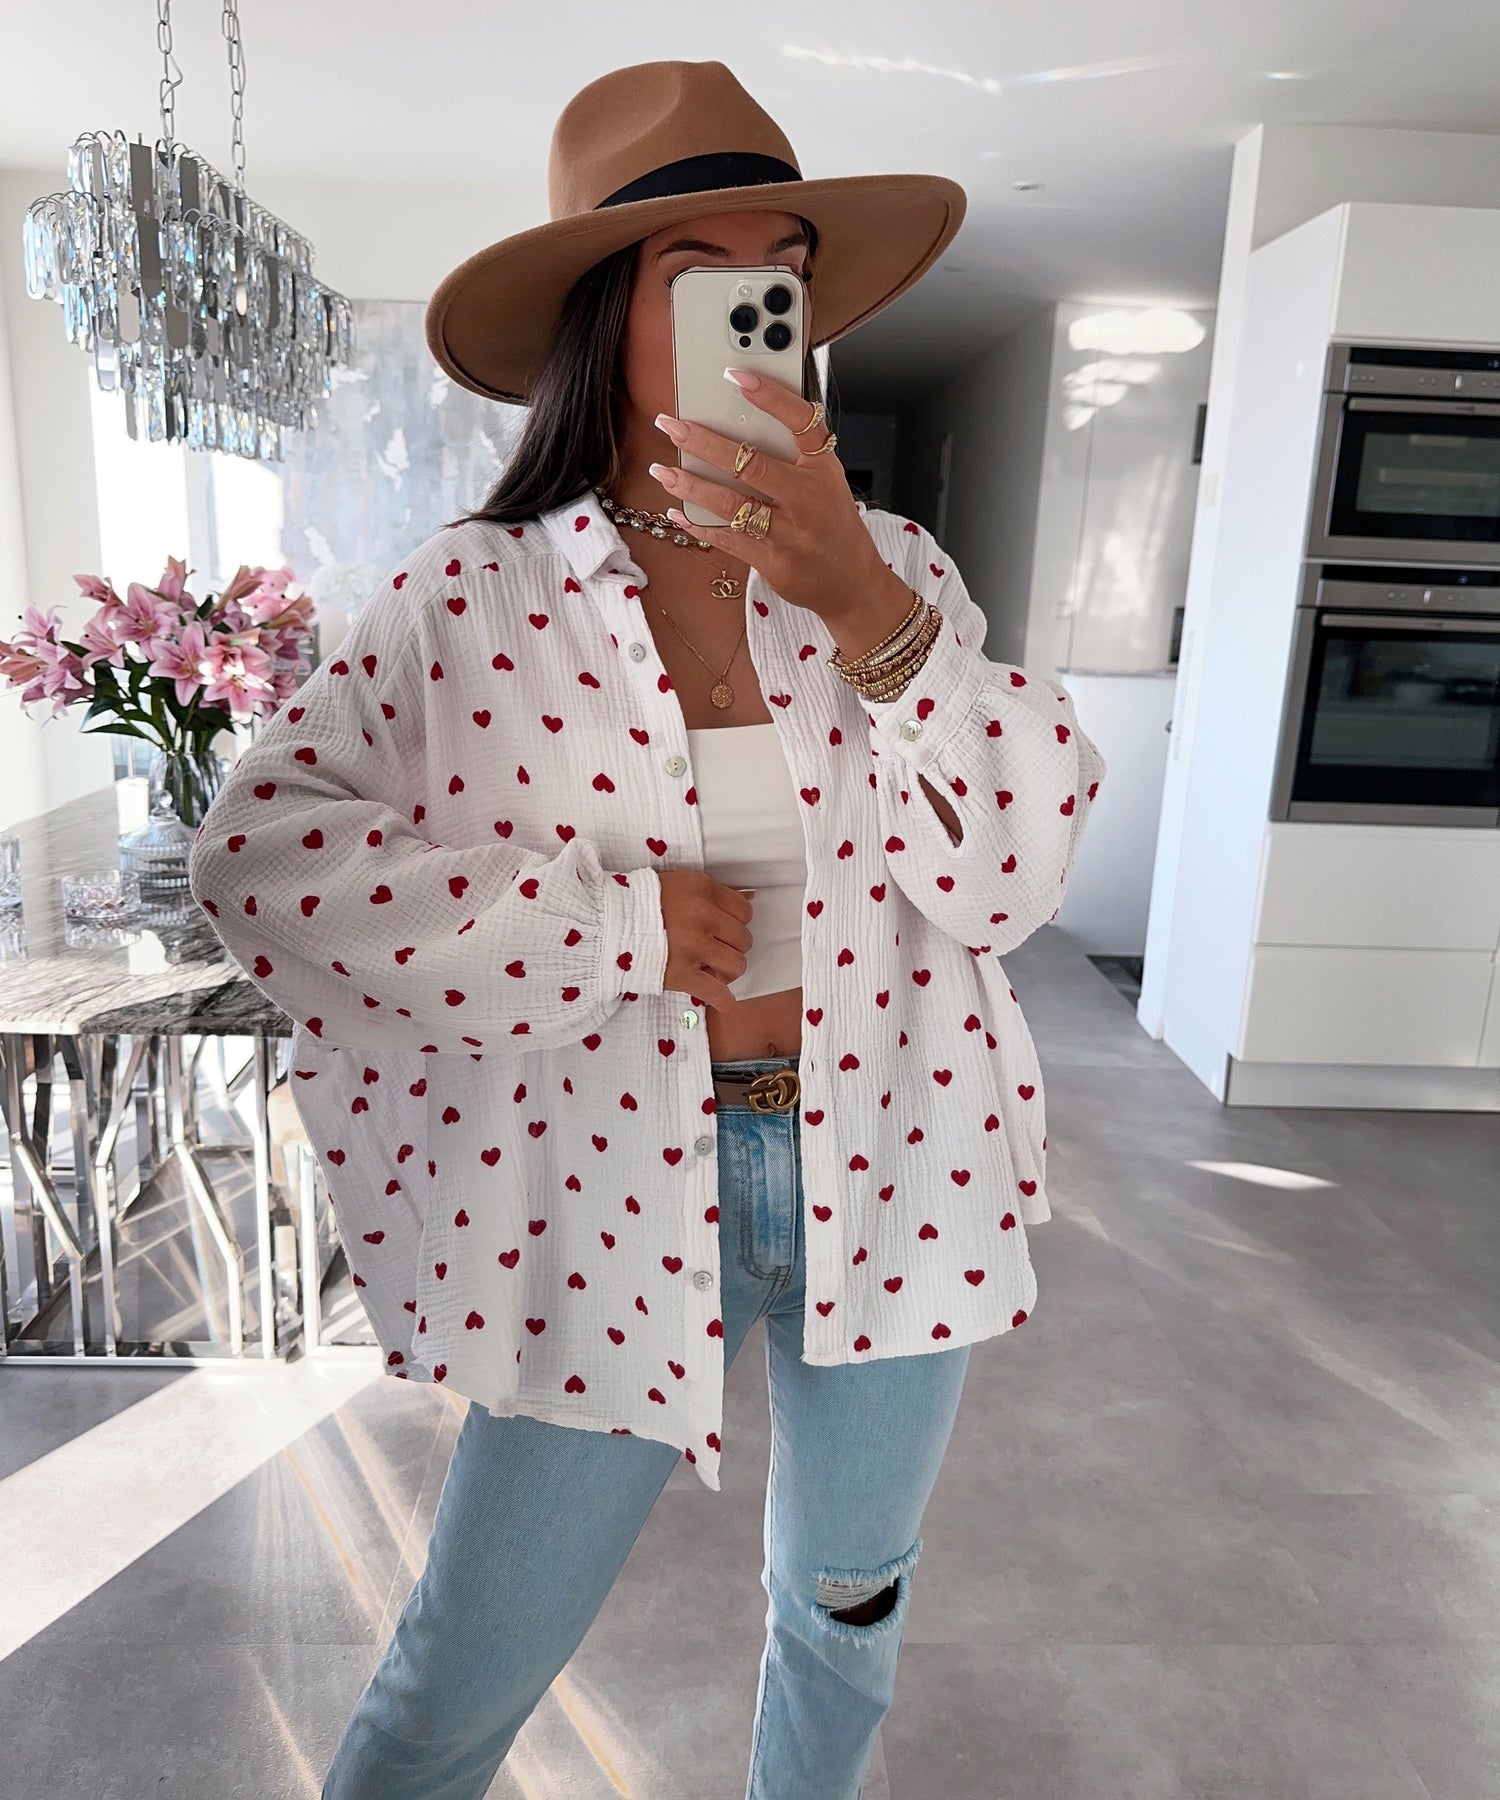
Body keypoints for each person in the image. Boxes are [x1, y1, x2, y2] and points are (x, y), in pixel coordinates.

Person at [189, 57, 1106, 1800]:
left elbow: (1010, 883)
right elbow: (261, 864)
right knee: (465, 1664)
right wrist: (612, 928)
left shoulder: (895, 567)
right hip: (602, 1179)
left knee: (845, 1627)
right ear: (605, 316)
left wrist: (863, 605)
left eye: (784, 276)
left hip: (896, 1161)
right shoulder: (472, 596)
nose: (759, 314)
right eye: (702, 276)